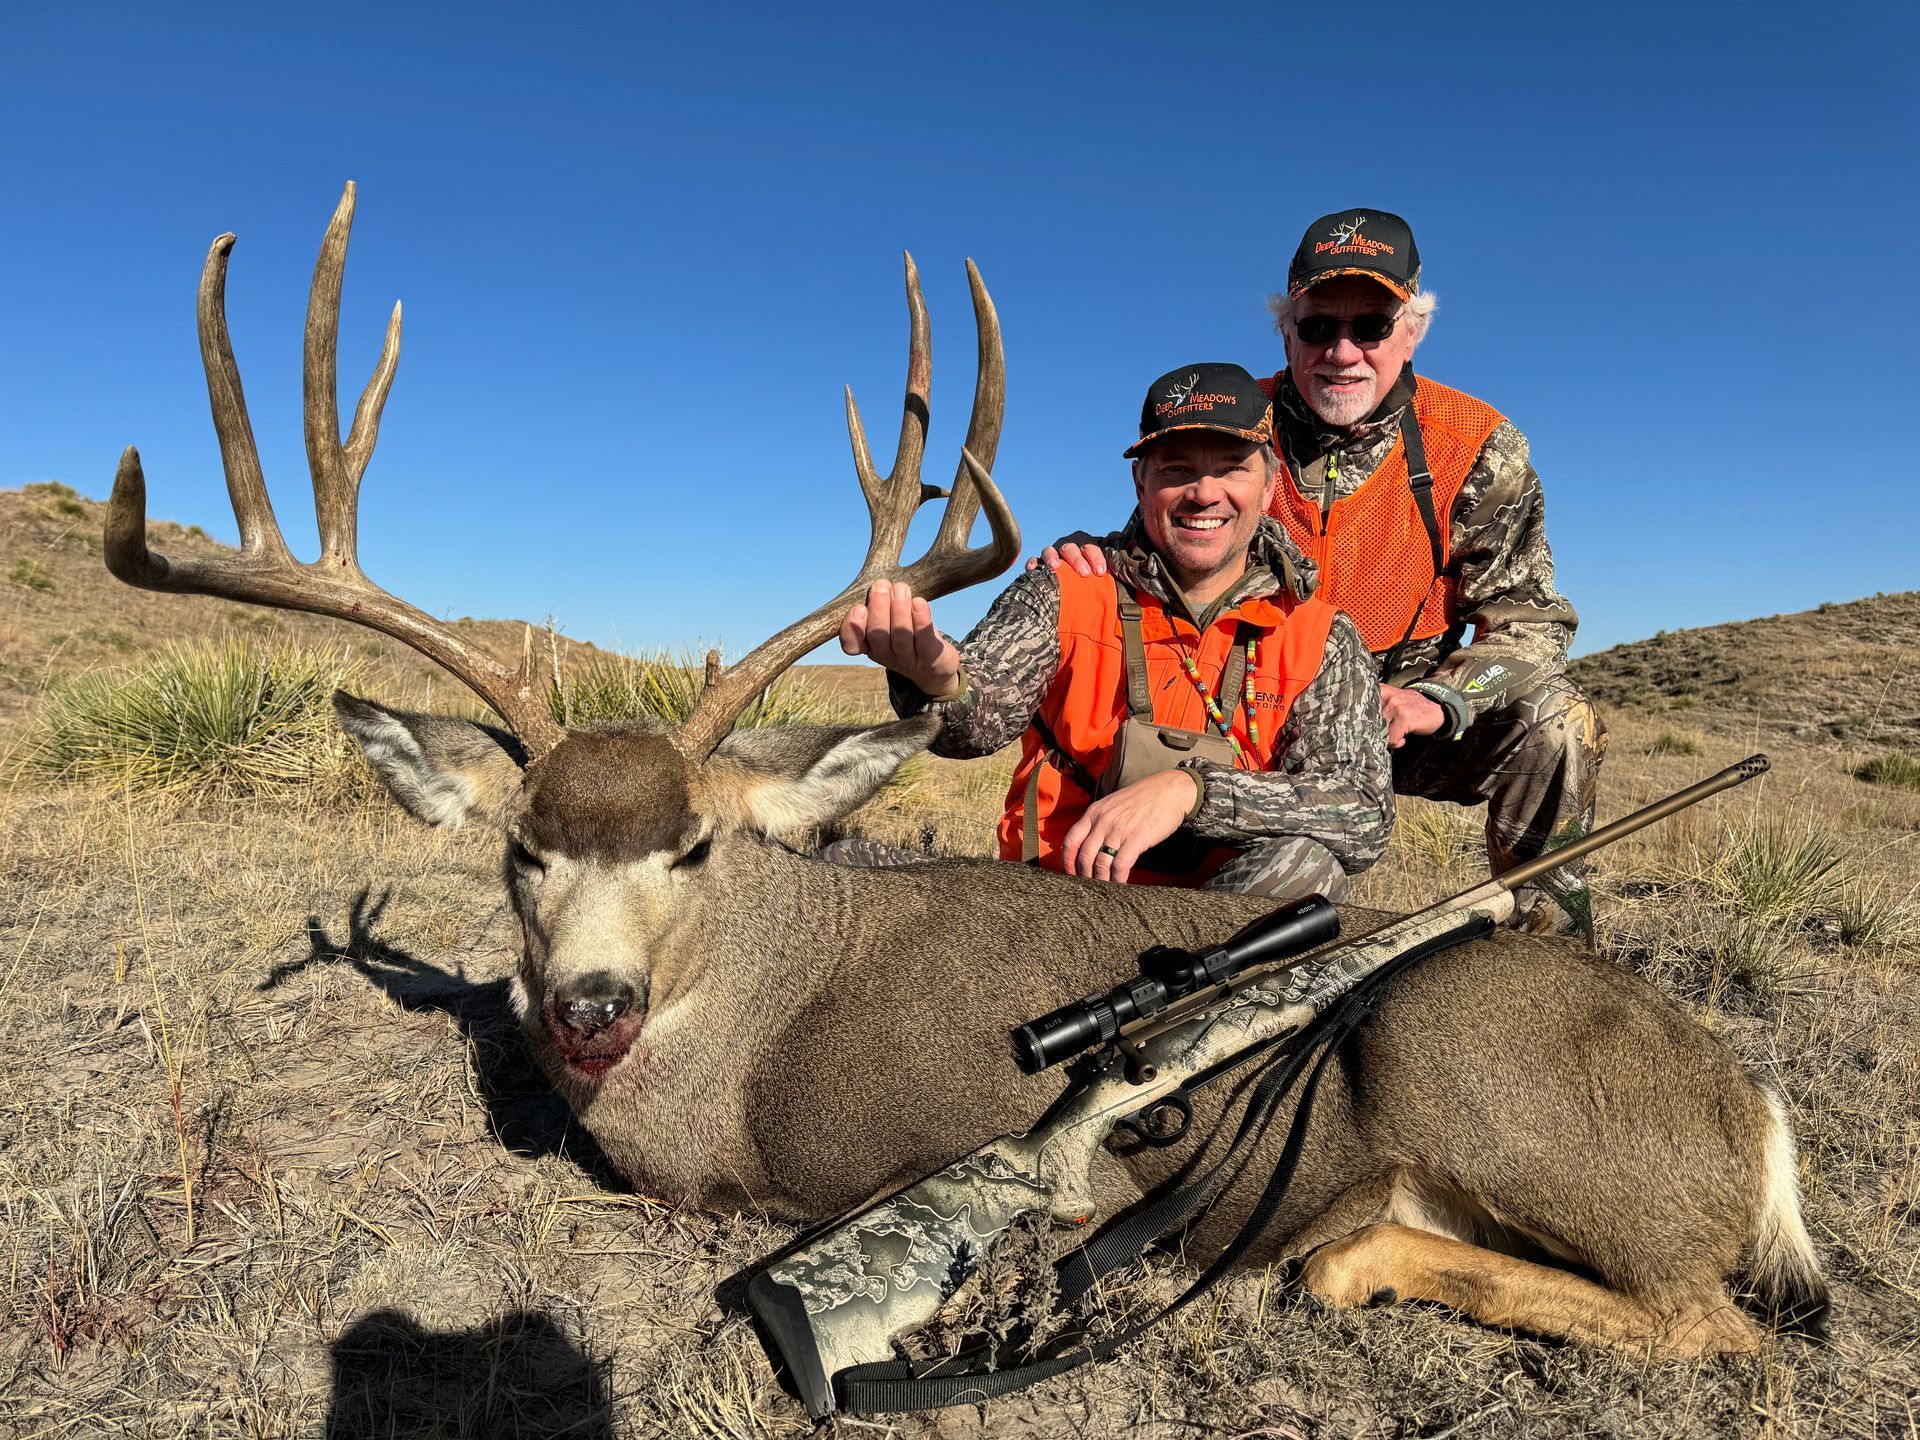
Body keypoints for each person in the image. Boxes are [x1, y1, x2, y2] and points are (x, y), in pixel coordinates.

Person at [1047, 211, 1604, 938]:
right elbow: (1152, 544)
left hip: (1403, 712)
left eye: (1371, 326)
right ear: (1286, 331)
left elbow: (1530, 620)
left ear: (1413, 330)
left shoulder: (1477, 445)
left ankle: (1550, 962)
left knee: (1558, 724)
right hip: (1258, 706)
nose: (1342, 352)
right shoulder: (1232, 418)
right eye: (1317, 327)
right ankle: (1161, 946)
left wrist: (1442, 698)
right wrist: (1083, 554)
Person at [836, 362, 1391, 901]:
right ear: (1140, 481)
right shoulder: (1067, 588)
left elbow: (1361, 810)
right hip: (1053, 901)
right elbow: (977, 723)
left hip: (1215, 931)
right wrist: (938, 676)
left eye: (1230, 468)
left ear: (1270, 486)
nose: (1203, 492)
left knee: (1306, 869)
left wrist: (1191, 792)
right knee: (846, 872)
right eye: (1175, 468)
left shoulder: (1322, 636)